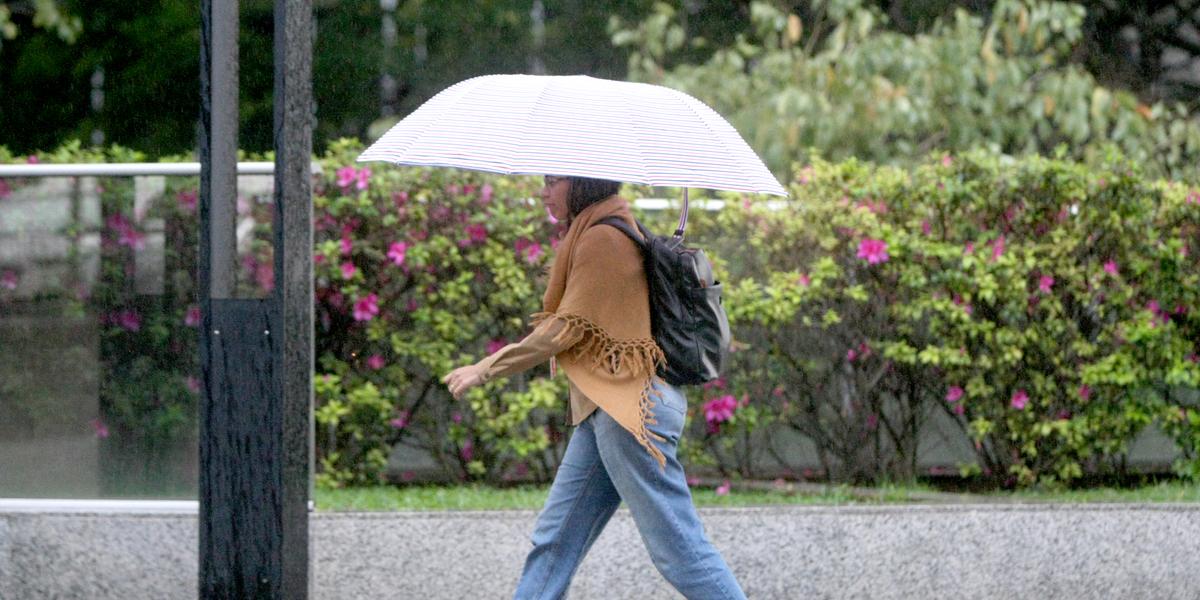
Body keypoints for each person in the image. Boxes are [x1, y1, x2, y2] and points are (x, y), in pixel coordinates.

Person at [442, 175, 747, 600]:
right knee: (556, 540)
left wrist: (487, 367)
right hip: (605, 407)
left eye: (553, 182)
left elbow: (565, 329)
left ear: (582, 185)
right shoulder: (600, 230)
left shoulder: (604, 239)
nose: (544, 192)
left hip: (631, 411)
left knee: (679, 550)